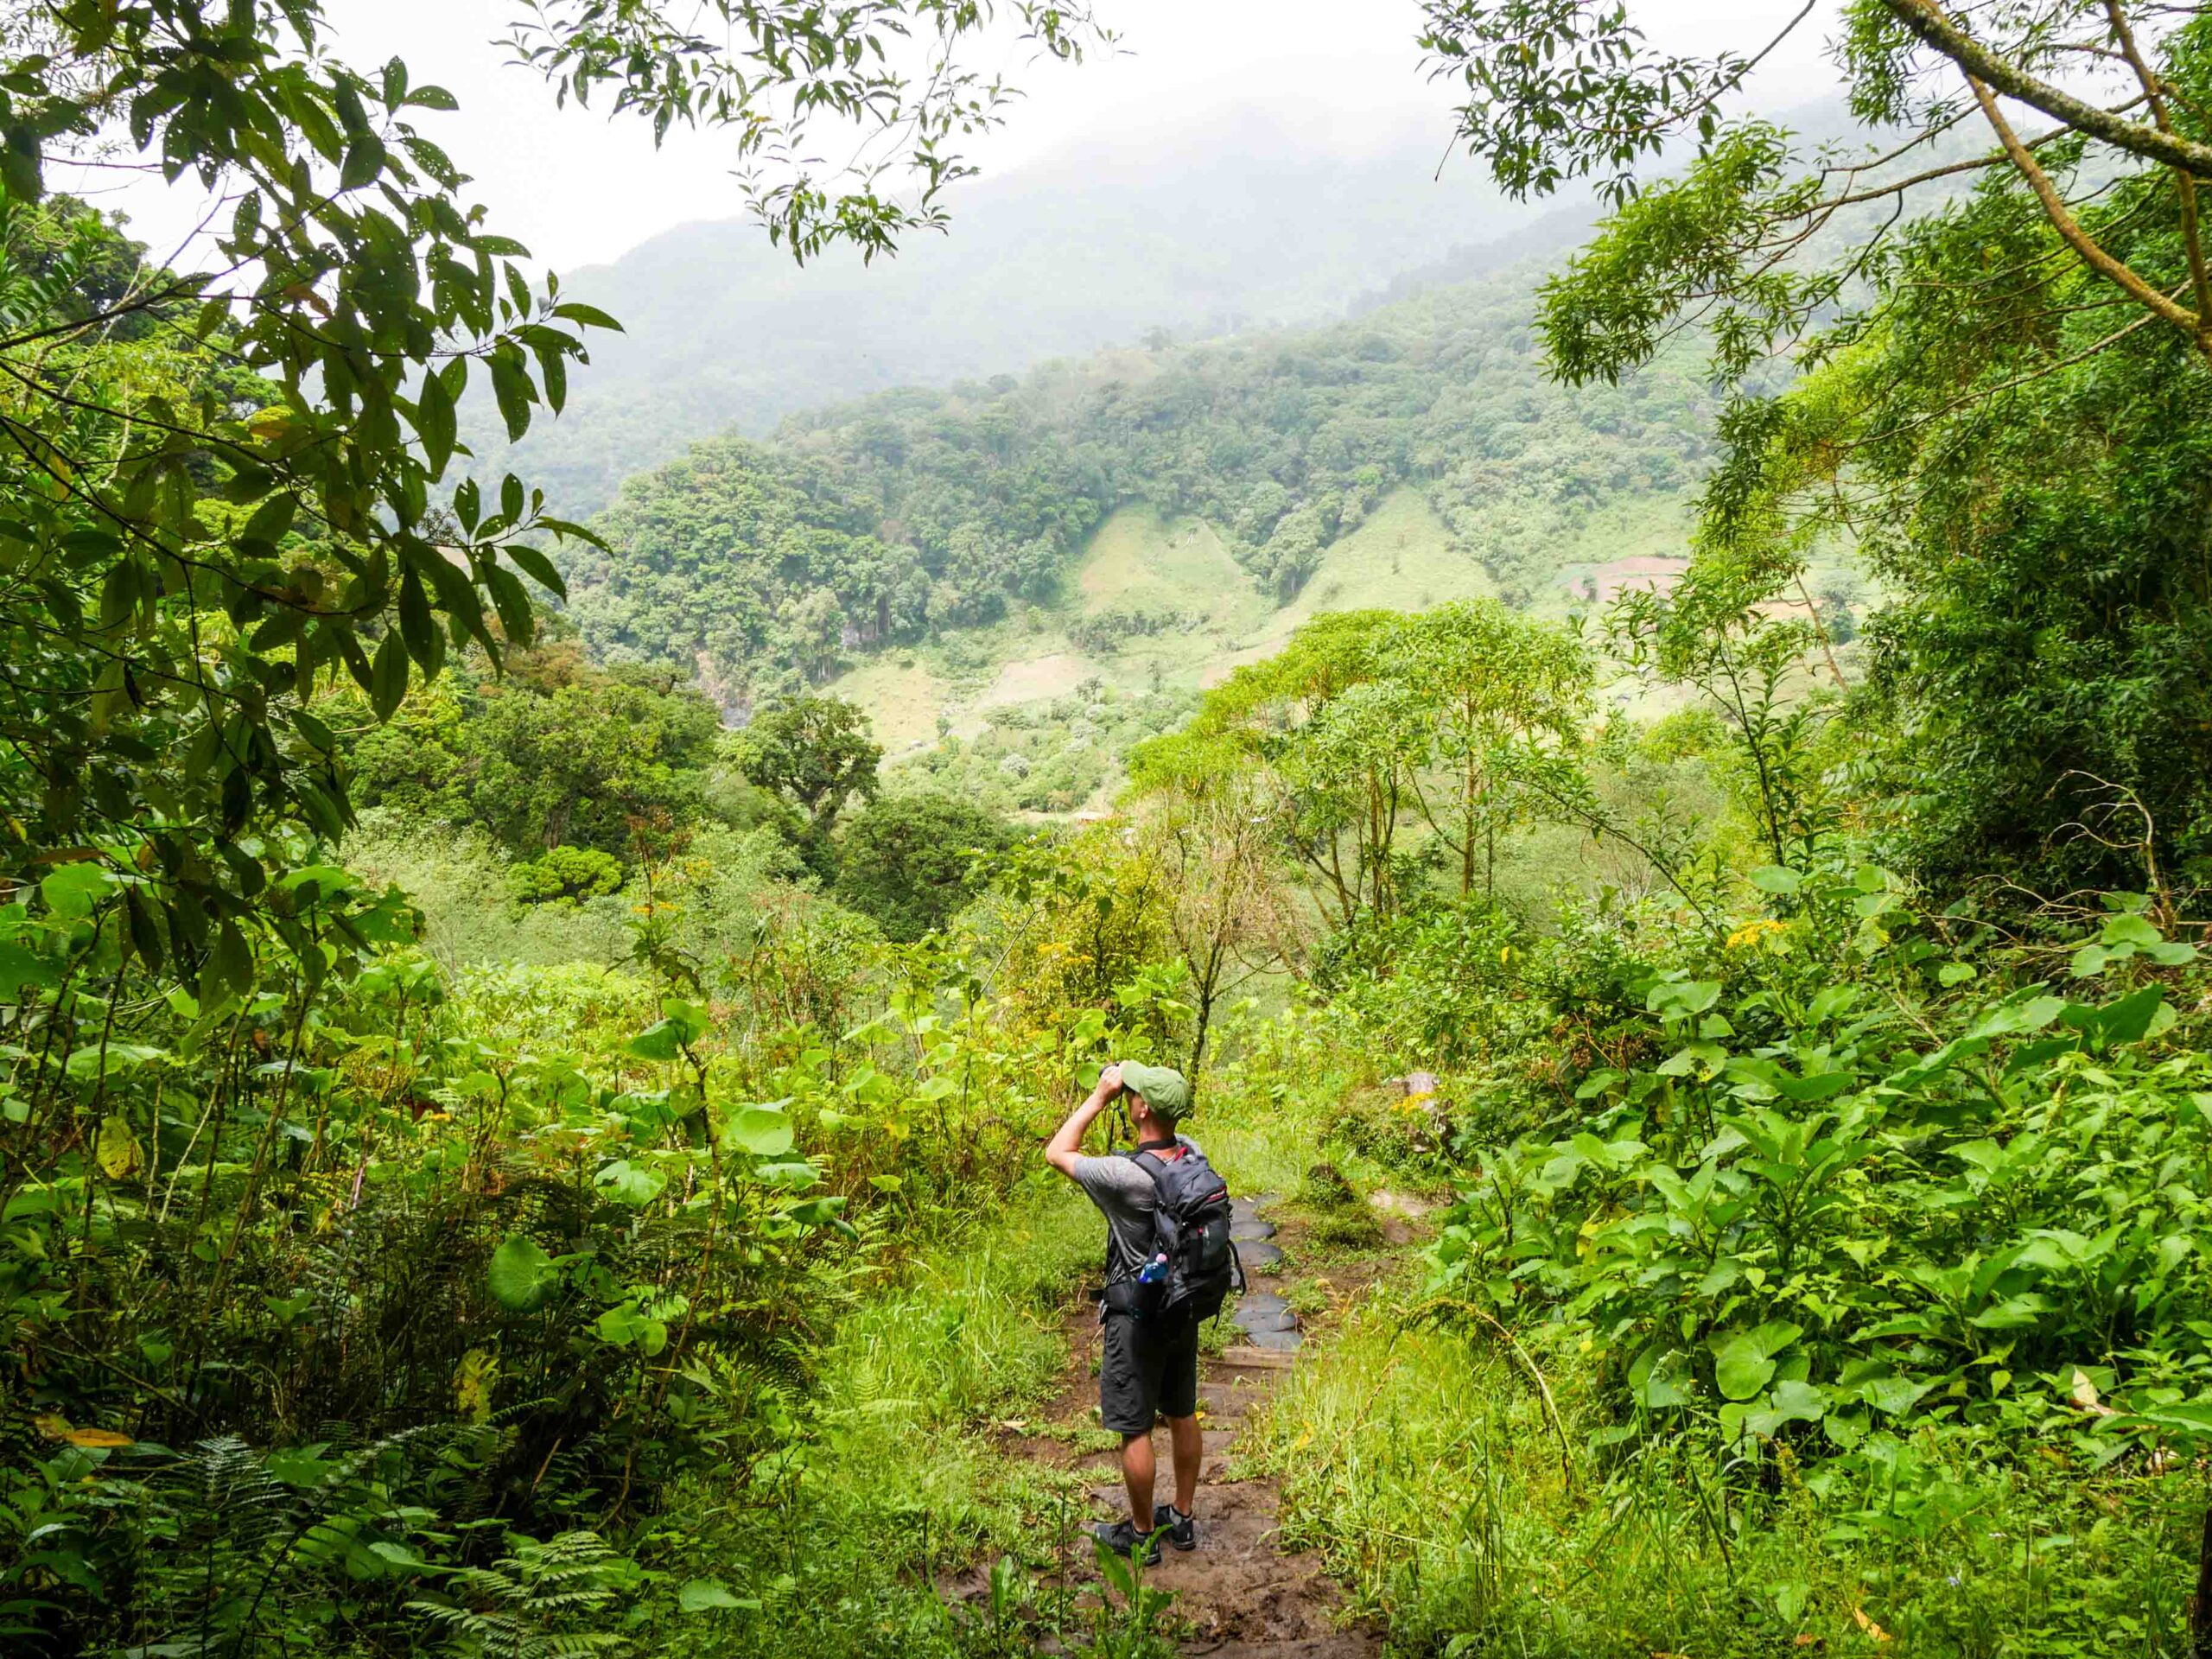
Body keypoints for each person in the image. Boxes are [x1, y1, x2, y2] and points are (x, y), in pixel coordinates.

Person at [1044, 1059, 1204, 1566]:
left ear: (1142, 1109)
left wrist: (1098, 1097)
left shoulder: (1122, 1176)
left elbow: (1057, 1151)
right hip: (1182, 1307)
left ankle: (1141, 1534)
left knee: (1135, 1426)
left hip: (1136, 1316)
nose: (1128, 1097)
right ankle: (1182, 1517)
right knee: (1181, 1411)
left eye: (1133, 1094)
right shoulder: (1193, 1156)